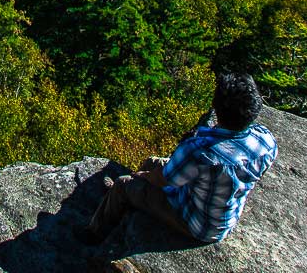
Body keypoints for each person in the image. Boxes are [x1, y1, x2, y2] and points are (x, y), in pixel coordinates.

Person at [79, 72, 278, 246]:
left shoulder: (200, 151)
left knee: (124, 184)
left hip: (197, 223)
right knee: (152, 161)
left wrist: (142, 176)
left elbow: (162, 179)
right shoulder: (266, 141)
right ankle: (122, 200)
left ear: (217, 108)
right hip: (223, 214)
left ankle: (93, 234)